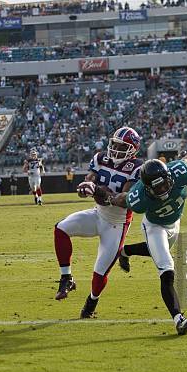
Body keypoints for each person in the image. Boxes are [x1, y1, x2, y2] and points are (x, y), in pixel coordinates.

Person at [104, 143, 187, 335]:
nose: (164, 189)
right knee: (167, 269)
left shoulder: (180, 171)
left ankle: (124, 251)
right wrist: (109, 198)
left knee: (158, 252)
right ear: (147, 187)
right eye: (157, 188)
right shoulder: (138, 197)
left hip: (175, 223)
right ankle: (178, 319)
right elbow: (123, 198)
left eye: (165, 183)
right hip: (155, 227)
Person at [53, 127, 143, 319]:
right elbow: (87, 184)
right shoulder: (101, 158)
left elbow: (123, 199)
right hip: (98, 214)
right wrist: (85, 188)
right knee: (61, 228)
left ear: (133, 149)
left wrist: (98, 191)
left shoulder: (136, 167)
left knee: (99, 273)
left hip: (116, 224)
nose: (115, 149)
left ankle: (91, 303)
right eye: (115, 144)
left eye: (122, 146)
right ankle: (66, 277)